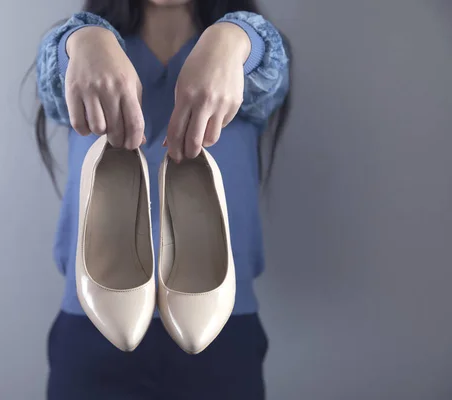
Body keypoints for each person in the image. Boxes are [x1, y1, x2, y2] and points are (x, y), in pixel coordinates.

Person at [35, 0, 290, 398]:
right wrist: (82, 39)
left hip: (222, 328)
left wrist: (234, 38)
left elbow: (269, 68)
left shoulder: (254, 57)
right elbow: (54, 83)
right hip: (91, 325)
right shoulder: (77, 51)